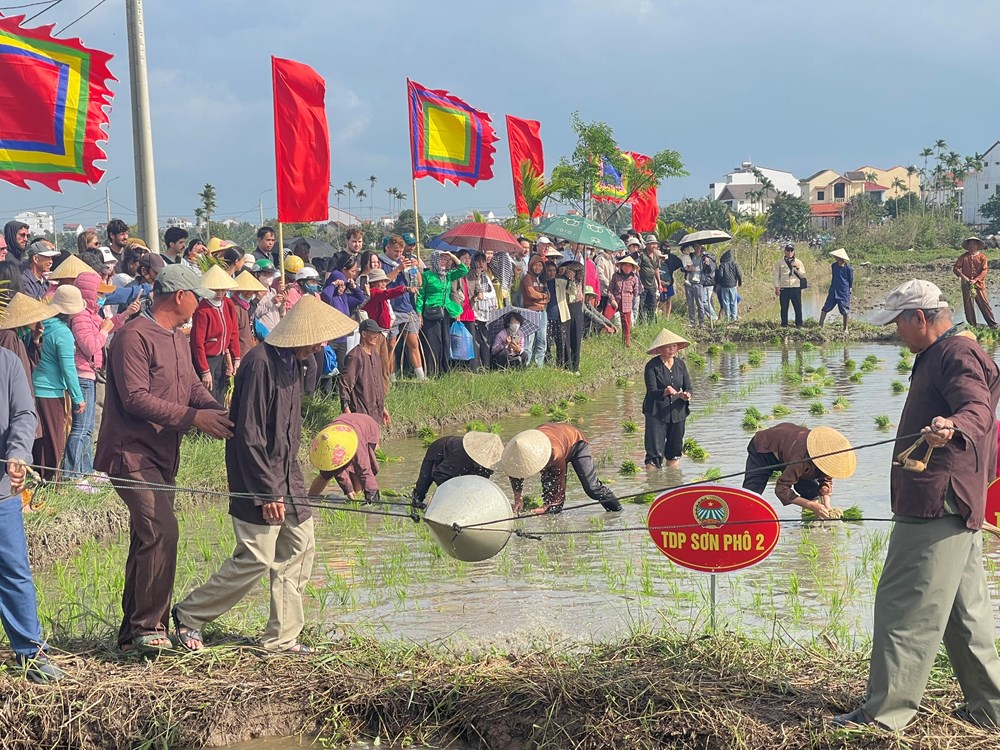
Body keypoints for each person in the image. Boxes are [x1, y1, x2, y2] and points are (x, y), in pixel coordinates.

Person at [833, 279, 1000, 731]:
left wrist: (952, 423)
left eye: (897, 325)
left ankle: (886, 713)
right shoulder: (944, 352)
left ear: (920, 318)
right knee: (965, 614)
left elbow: (978, 409)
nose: (895, 334)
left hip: (936, 502)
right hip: (957, 500)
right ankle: (990, 709)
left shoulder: (954, 354)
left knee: (904, 604)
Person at [171, 296, 356, 653]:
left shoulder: (295, 362)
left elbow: (287, 435)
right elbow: (250, 435)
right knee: (256, 556)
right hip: (258, 478)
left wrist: (289, 487)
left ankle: (282, 638)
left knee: (300, 548)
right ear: (297, 334)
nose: (320, 345)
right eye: (316, 339)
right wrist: (268, 492)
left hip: (288, 474)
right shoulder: (259, 364)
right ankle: (190, 613)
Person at [95, 264, 233, 651]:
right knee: (162, 530)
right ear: (179, 296)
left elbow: (190, 386)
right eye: (197, 297)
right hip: (130, 454)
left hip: (161, 453)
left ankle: (130, 634)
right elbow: (135, 398)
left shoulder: (175, 337)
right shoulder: (132, 336)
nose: (200, 304)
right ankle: (148, 628)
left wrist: (219, 413)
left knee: (146, 538)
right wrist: (194, 418)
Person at [0, 341, 65, 681]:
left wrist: (18, 453)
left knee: (14, 571)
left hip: (2, 494)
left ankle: (31, 653)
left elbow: (24, 414)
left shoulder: (7, 362)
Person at [64, 272, 124, 490]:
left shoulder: (92, 314)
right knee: (80, 428)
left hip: (91, 374)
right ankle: (73, 475)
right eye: (99, 293)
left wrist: (124, 315)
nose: (101, 297)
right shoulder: (80, 316)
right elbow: (90, 346)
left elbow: (108, 326)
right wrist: (105, 330)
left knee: (88, 426)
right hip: (83, 375)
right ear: (89, 293)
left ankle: (86, 470)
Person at [502, 424, 623, 515]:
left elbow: (558, 495)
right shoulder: (516, 450)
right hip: (550, 435)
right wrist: (518, 498)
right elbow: (515, 471)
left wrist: (549, 507)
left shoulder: (555, 454)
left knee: (592, 489)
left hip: (575, 441)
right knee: (547, 497)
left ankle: (618, 512)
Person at [742, 423, 855, 519]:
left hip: (789, 448)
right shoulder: (801, 459)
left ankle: (809, 523)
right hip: (763, 448)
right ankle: (742, 523)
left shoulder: (828, 455)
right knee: (750, 497)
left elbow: (825, 479)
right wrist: (811, 506)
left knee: (811, 491)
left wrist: (827, 505)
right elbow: (781, 489)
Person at [31, 285, 86, 481]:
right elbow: (68, 368)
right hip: (52, 390)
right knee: (54, 439)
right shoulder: (63, 333)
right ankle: (51, 482)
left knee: (40, 437)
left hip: (35, 386)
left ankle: (38, 478)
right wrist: (78, 397)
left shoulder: (43, 324)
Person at [411, 432, 504, 510]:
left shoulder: (488, 466)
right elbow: (438, 474)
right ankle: (415, 507)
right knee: (422, 487)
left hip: (459, 457)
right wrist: (456, 492)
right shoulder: (461, 456)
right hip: (438, 450)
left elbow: (481, 484)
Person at [190, 266, 240, 405]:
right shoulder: (202, 309)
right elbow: (197, 343)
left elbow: (233, 332)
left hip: (221, 356)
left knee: (220, 391)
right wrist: (205, 370)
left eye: (222, 289)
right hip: (206, 357)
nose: (219, 293)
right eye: (215, 289)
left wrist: (236, 357)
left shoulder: (228, 304)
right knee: (207, 393)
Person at [642, 329, 692, 468]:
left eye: (674, 346)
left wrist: (686, 395)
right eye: (668, 346)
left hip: (678, 412)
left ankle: (673, 481)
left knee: (674, 452)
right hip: (656, 413)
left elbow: (688, 387)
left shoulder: (680, 364)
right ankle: (653, 485)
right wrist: (665, 391)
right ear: (660, 349)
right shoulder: (652, 366)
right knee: (654, 455)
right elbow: (651, 392)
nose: (672, 349)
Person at [308, 412, 382, 503]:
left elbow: (364, 470)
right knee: (326, 472)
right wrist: (347, 488)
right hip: (343, 425)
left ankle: (357, 498)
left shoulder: (357, 444)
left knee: (358, 467)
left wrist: (372, 494)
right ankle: (309, 499)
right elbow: (335, 468)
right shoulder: (325, 437)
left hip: (365, 426)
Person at [380, 235, 425, 381]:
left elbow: (419, 283)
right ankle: (391, 378)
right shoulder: (381, 262)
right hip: (391, 308)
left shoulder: (405, 261)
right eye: (395, 251)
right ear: (387, 248)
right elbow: (383, 283)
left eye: (400, 251)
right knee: (390, 345)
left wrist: (415, 268)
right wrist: (399, 268)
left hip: (407, 307)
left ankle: (421, 376)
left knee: (413, 342)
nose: (398, 254)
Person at [415, 250, 467, 377]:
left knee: (445, 340)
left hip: (445, 311)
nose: (443, 262)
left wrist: (453, 256)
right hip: (431, 311)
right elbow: (421, 295)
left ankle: (444, 371)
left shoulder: (447, 275)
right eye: (441, 259)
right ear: (434, 261)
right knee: (434, 342)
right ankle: (433, 371)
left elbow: (463, 270)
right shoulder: (427, 275)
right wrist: (419, 313)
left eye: (445, 260)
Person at [340, 318, 390, 425]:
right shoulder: (355, 356)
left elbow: (377, 384)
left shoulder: (375, 355)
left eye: (377, 333)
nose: (377, 336)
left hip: (375, 412)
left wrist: (382, 408)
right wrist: (346, 409)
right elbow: (345, 384)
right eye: (373, 333)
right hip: (360, 412)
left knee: (375, 440)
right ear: (363, 334)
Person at [953, 236, 997, 328]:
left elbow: (984, 270)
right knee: (968, 306)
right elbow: (956, 268)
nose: (972, 246)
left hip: (979, 284)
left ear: (977, 245)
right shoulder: (963, 257)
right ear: (967, 246)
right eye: (970, 244)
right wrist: (965, 278)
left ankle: (993, 324)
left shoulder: (982, 257)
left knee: (984, 304)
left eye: (973, 244)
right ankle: (972, 325)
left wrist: (975, 280)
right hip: (966, 285)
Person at [520, 255, 549, 368]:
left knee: (542, 341)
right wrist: (542, 297)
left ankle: (539, 366)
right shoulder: (528, 277)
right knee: (529, 342)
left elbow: (548, 297)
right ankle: (525, 366)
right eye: (536, 265)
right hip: (531, 312)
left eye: (540, 265)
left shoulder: (542, 279)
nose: (538, 267)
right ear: (531, 265)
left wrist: (540, 298)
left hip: (542, 312)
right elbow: (531, 294)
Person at [471, 252, 498, 370]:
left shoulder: (485, 276)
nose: (481, 264)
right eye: (478, 261)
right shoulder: (471, 276)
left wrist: (483, 295)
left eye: (483, 261)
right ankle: (476, 366)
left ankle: (486, 366)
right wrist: (476, 296)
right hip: (475, 311)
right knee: (476, 341)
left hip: (486, 312)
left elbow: (492, 293)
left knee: (485, 341)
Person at [818, 248, 854, 333]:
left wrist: (850, 288)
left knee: (845, 310)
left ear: (841, 258)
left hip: (843, 291)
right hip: (833, 290)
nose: (835, 258)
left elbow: (850, 279)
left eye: (836, 256)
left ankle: (845, 328)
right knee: (825, 308)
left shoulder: (848, 268)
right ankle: (820, 325)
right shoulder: (834, 266)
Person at [609, 255, 640, 347]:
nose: (627, 267)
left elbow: (636, 292)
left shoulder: (634, 278)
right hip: (614, 301)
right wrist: (612, 299)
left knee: (626, 324)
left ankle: (626, 344)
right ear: (621, 266)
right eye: (625, 265)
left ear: (632, 267)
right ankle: (603, 338)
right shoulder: (615, 276)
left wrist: (630, 298)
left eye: (629, 265)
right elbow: (610, 289)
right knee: (605, 318)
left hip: (627, 303)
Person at [544, 260, 569, 368]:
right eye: (549, 270)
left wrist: (569, 277)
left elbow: (572, 291)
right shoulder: (542, 283)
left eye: (554, 270)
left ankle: (560, 365)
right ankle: (548, 363)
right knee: (547, 343)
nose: (552, 273)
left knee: (560, 343)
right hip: (547, 317)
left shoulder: (561, 282)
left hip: (560, 316)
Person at [774, 243, 807, 328]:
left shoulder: (798, 262)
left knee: (798, 307)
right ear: (785, 252)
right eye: (788, 250)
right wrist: (777, 287)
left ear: (794, 251)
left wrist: (797, 268)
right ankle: (784, 325)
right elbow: (776, 275)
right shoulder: (779, 262)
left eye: (791, 250)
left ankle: (799, 325)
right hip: (784, 288)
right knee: (784, 308)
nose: (789, 252)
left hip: (795, 287)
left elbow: (803, 275)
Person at [638, 234, 661, 324]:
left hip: (652, 285)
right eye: (651, 244)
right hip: (643, 285)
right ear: (647, 245)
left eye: (655, 244)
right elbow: (637, 268)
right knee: (641, 306)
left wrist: (659, 284)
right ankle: (641, 323)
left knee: (652, 306)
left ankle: (650, 323)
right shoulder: (641, 255)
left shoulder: (656, 256)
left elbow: (656, 269)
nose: (653, 246)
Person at [714, 249, 742, 322]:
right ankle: (734, 318)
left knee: (726, 302)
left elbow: (720, 275)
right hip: (733, 286)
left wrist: (720, 282)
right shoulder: (734, 264)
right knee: (733, 301)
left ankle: (727, 318)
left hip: (724, 286)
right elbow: (739, 274)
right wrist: (739, 283)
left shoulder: (722, 265)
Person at [658, 242, 683, 318]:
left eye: (668, 247)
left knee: (668, 299)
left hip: (669, 282)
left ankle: (667, 317)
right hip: (658, 282)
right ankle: (663, 313)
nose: (667, 249)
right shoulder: (657, 257)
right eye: (665, 247)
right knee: (660, 301)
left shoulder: (673, 257)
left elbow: (680, 264)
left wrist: (671, 270)